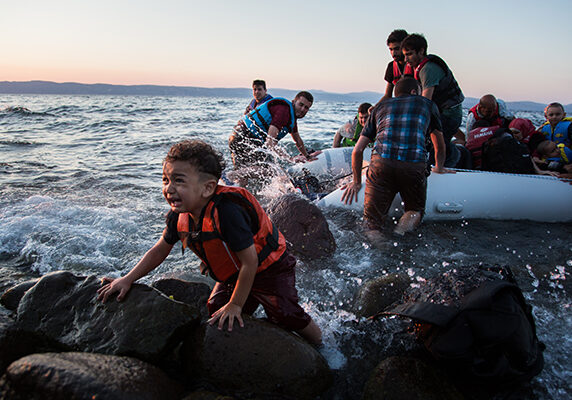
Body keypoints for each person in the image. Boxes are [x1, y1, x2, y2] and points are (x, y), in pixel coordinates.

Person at [97, 140, 322, 345]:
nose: (169, 188)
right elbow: (160, 249)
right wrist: (127, 279)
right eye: (165, 180)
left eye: (179, 180)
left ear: (207, 187)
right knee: (215, 309)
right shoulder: (178, 215)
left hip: (269, 268)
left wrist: (235, 304)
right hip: (236, 270)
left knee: (285, 313)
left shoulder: (227, 213)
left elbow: (250, 262)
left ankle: (321, 345)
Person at [341, 77, 447, 240]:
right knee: (414, 211)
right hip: (412, 166)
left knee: (371, 225)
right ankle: (399, 236)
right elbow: (439, 144)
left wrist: (356, 182)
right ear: (414, 92)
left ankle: (382, 247)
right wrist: (439, 167)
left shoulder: (380, 107)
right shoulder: (427, 105)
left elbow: (358, 150)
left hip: (381, 166)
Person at [400, 33, 465, 167]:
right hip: (442, 112)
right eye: (405, 55)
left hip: (450, 115)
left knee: (435, 144)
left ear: (421, 51)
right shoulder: (419, 68)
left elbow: (425, 102)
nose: (406, 59)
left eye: (410, 54)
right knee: (432, 143)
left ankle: (452, 159)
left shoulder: (428, 70)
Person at [229, 91, 320, 168]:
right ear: (294, 102)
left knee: (247, 172)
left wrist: (307, 157)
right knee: (269, 171)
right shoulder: (284, 112)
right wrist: (290, 159)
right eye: (301, 104)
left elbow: (298, 141)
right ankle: (230, 175)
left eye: (306, 108)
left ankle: (232, 181)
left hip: (240, 136)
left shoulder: (291, 118)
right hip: (243, 137)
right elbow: (270, 143)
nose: (302, 109)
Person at [380, 29, 410, 102]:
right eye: (391, 49)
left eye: (397, 49)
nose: (393, 53)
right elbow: (387, 95)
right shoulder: (391, 67)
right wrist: (375, 109)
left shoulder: (415, 64)